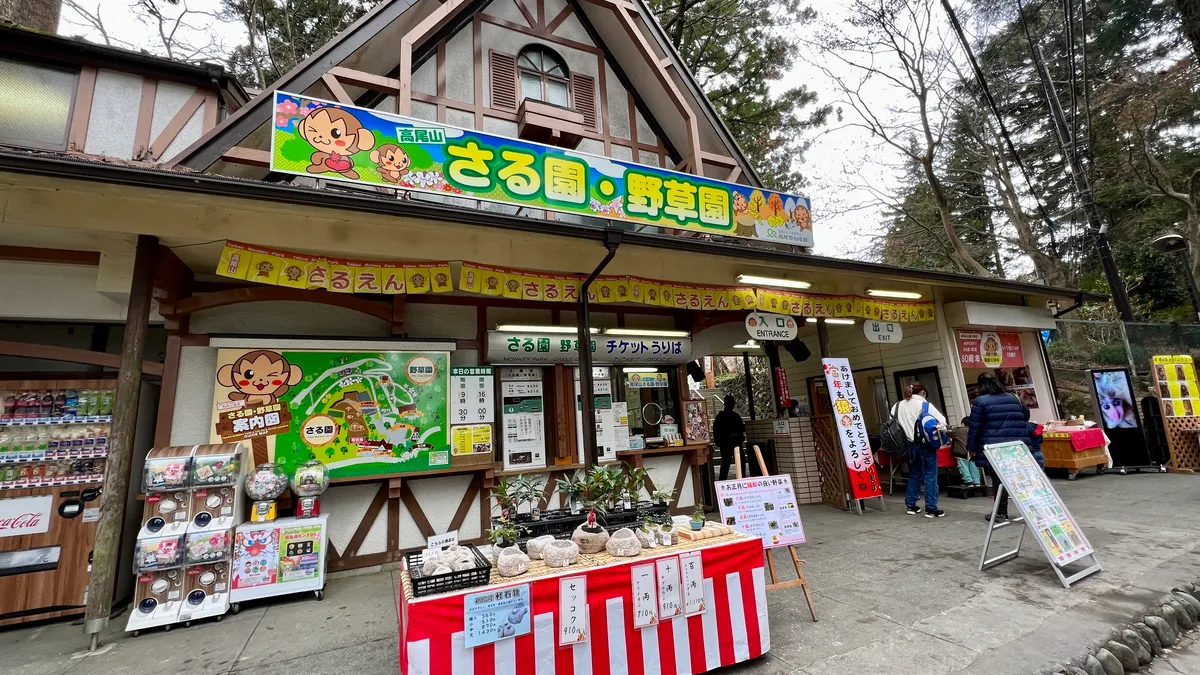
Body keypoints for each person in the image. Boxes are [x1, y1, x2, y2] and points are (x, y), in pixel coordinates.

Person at [967, 372, 1032, 521]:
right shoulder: (1013, 398)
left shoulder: (980, 401)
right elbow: (1026, 416)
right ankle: (1034, 509)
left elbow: (975, 427)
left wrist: (971, 448)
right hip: (1016, 446)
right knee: (1020, 478)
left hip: (995, 448)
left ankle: (1001, 512)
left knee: (998, 480)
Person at [893, 381, 948, 518]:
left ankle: (911, 505)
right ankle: (931, 508)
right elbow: (942, 423)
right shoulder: (925, 405)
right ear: (923, 392)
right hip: (926, 444)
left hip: (909, 445)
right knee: (930, 474)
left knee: (915, 474)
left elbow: (892, 424)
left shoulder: (897, 406)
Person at [713, 395, 746, 480]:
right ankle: (742, 479)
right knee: (736, 462)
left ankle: (723, 480)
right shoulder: (734, 416)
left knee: (726, 463)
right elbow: (742, 428)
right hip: (732, 442)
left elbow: (716, 430)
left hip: (728, 442)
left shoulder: (721, 416)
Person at [950, 417, 983, 489]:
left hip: (961, 453)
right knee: (974, 467)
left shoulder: (958, 430)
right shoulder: (975, 430)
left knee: (964, 467)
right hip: (973, 452)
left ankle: (968, 482)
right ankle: (977, 482)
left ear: (963, 423)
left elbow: (948, 433)